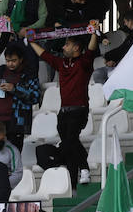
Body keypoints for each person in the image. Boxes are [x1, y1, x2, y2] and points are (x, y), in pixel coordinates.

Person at [28, 25, 98, 186]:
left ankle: (85, 168)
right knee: (68, 145)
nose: (63, 46)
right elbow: (45, 55)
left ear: (76, 48)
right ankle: (73, 184)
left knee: (71, 140)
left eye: (67, 44)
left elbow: (91, 50)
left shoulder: (84, 63)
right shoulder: (62, 63)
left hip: (79, 109)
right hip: (63, 111)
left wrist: (94, 33)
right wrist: (31, 41)